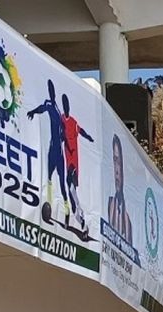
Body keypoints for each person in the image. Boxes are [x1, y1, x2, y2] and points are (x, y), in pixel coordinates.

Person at [27, 80, 69, 220]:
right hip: (52, 148)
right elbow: (42, 108)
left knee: (62, 184)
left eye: (52, 89)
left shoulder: (57, 108)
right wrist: (33, 111)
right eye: (49, 89)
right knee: (49, 177)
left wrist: (64, 139)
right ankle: (49, 206)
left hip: (59, 151)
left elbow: (63, 132)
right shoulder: (50, 105)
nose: (51, 92)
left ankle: (67, 210)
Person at [60, 93, 95, 235]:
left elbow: (81, 131)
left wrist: (88, 137)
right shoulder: (62, 119)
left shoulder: (73, 122)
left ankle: (79, 218)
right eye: (65, 104)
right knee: (70, 191)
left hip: (74, 162)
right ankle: (79, 219)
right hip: (67, 160)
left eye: (67, 104)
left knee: (71, 188)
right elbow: (60, 134)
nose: (66, 107)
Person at [107, 134, 133, 244]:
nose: (117, 170)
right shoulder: (109, 206)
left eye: (119, 163)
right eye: (114, 160)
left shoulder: (127, 221)